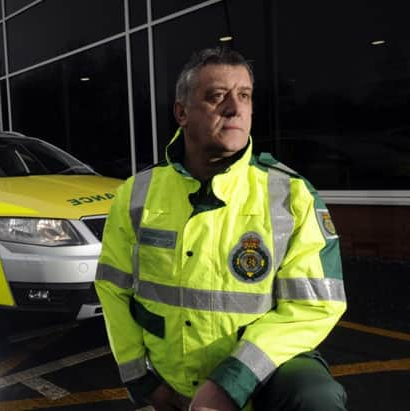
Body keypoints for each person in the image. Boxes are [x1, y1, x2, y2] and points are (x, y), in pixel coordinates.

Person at [95, 47, 348, 411]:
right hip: (171, 385)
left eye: (244, 95)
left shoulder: (290, 195)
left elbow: (317, 305)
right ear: (182, 112)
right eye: (217, 97)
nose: (235, 108)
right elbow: (112, 289)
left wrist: (233, 380)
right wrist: (142, 381)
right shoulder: (137, 194)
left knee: (314, 396)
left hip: (261, 381)